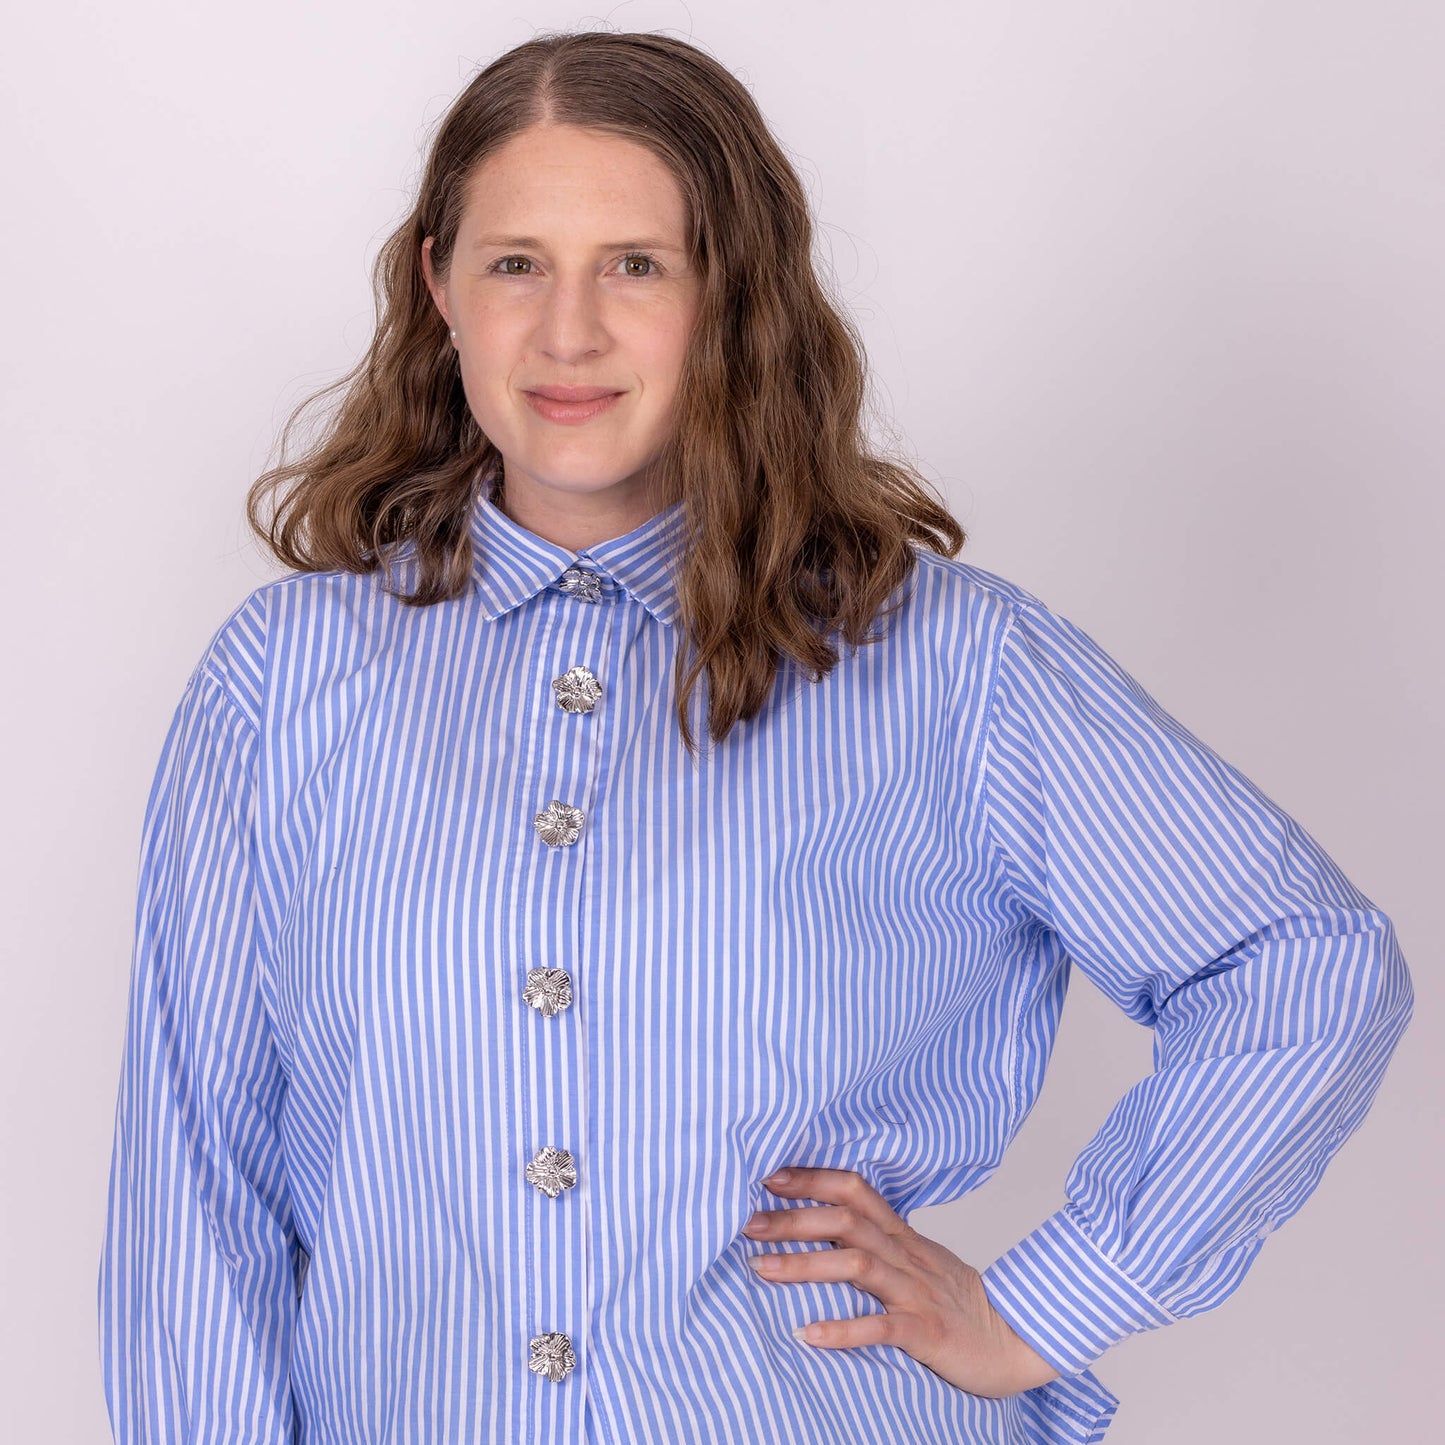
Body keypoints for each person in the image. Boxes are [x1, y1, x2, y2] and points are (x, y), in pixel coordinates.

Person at [96, 28, 1414, 1445]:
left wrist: (1047, 1301)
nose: (568, 332)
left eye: (638, 264)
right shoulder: (280, 684)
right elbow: (199, 1186)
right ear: (439, 287)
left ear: (733, 291)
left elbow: (1297, 960)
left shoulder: (947, 662)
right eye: (515, 261)